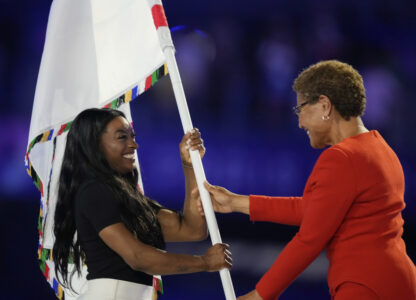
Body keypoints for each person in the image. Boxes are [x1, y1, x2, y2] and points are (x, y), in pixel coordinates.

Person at [202, 60, 416, 299]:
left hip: (365, 288)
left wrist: (259, 295)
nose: (300, 122)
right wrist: (235, 203)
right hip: (398, 283)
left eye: (300, 109)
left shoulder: (341, 158)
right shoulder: (380, 148)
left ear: (325, 105)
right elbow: (318, 211)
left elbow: (310, 239)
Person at [53, 108, 232, 300]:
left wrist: (189, 165)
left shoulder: (125, 197)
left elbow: (191, 229)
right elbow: (137, 257)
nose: (134, 144)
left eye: (132, 136)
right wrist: (204, 262)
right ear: (94, 144)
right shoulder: (93, 191)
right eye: (122, 137)